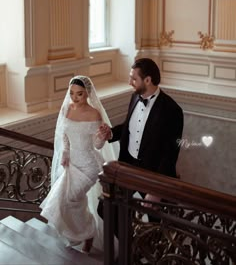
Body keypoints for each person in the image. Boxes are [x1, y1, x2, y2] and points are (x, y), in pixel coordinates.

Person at [97, 57, 184, 225]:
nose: (130, 82)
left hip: (152, 174)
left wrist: (156, 190)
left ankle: (144, 250)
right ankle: (127, 248)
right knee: (106, 209)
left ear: (148, 80)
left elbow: (170, 154)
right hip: (127, 166)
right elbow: (129, 127)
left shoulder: (172, 110)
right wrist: (111, 133)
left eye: (134, 78)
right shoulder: (135, 97)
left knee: (154, 223)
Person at [40, 75, 118, 254]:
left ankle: (88, 231)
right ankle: (86, 232)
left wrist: (102, 135)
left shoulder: (94, 114)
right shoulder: (67, 109)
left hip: (89, 166)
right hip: (71, 163)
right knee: (61, 200)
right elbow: (64, 135)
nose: (75, 98)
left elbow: (97, 145)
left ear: (87, 93)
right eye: (72, 93)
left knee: (71, 199)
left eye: (80, 94)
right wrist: (65, 152)